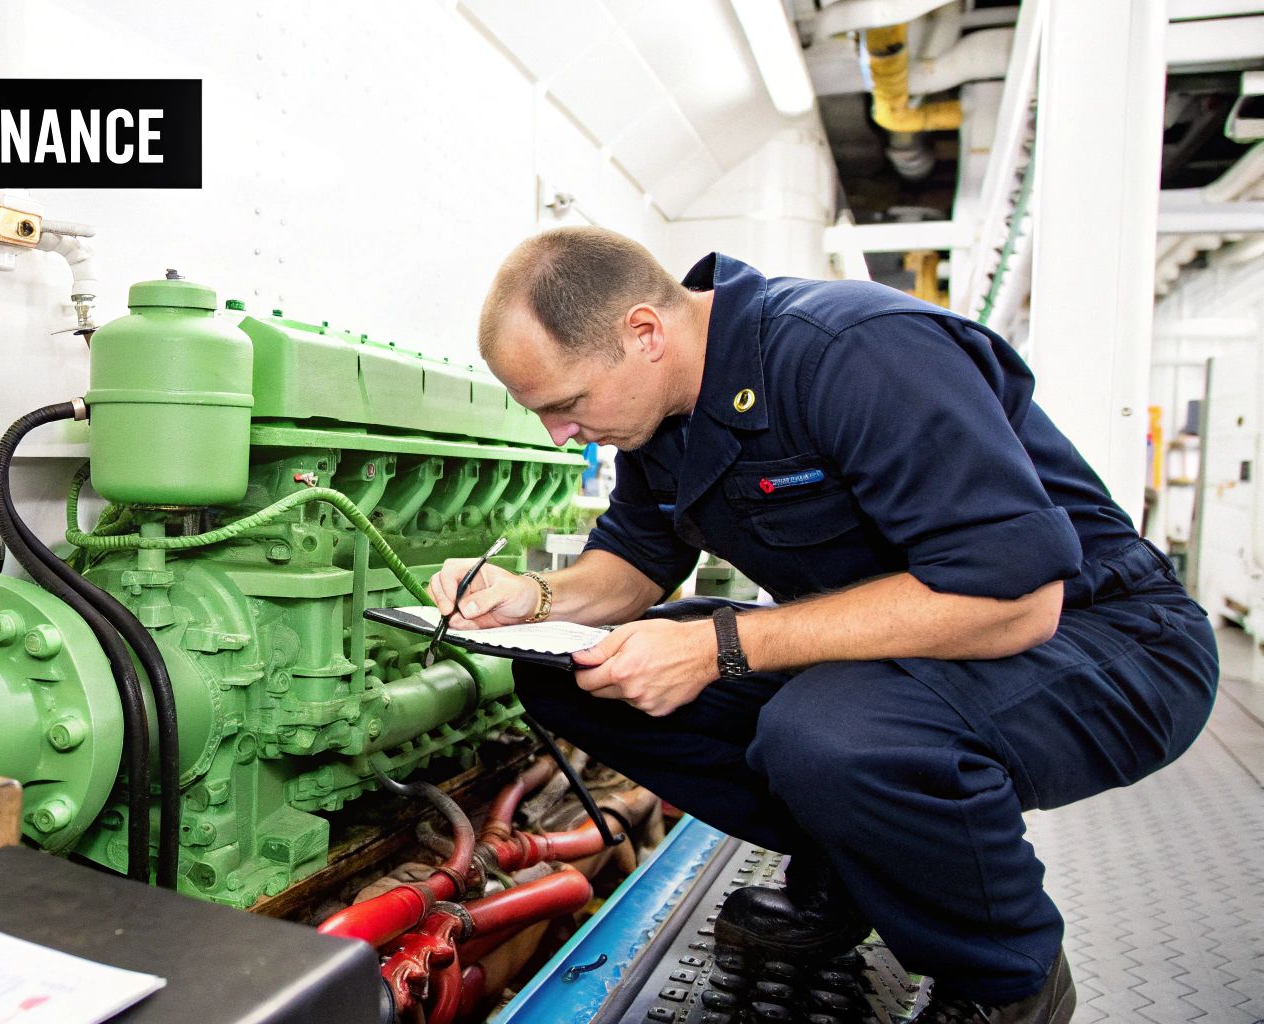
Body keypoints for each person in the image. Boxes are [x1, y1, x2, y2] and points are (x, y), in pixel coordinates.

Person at [429, 227, 1218, 1024]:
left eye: (566, 405)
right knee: (576, 679)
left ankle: (1007, 981)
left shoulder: (852, 351)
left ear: (644, 332)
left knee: (831, 732)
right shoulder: (664, 414)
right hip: (897, 649)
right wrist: (528, 599)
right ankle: (852, 870)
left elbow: (1015, 599)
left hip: (1104, 640)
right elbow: (630, 564)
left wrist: (721, 647)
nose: (559, 435)